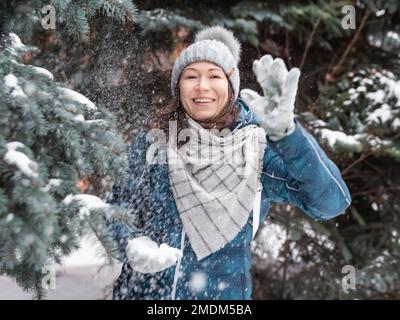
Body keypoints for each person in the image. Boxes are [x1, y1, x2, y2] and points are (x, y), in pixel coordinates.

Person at [107, 26, 352, 300]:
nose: (202, 86)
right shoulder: (153, 144)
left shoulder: (255, 152)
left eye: (214, 75)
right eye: (191, 76)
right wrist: (130, 241)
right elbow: (116, 208)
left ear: (231, 86)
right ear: (179, 87)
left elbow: (331, 202)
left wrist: (288, 135)